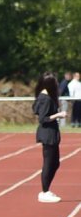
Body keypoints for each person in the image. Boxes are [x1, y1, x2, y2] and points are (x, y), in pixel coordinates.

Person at [33, 71, 66, 203]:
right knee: (49, 163)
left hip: (51, 133)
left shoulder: (44, 96)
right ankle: (44, 191)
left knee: (55, 163)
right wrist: (58, 115)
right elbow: (42, 118)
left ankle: (46, 190)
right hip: (47, 134)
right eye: (55, 82)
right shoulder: (45, 98)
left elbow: (35, 109)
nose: (57, 83)